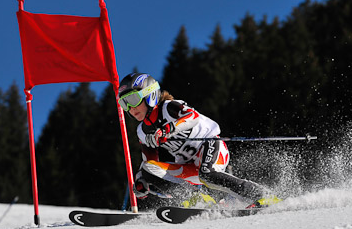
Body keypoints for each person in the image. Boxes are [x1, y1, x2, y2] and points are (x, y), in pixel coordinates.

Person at [117, 72, 279, 208]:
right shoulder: (142, 131)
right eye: (124, 104)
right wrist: (141, 181)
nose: (130, 109)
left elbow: (192, 117)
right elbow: (150, 161)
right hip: (189, 164)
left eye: (132, 100)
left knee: (207, 174)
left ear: (149, 95)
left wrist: (169, 128)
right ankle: (197, 199)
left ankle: (262, 195)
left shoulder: (169, 107)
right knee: (149, 168)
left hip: (210, 146)